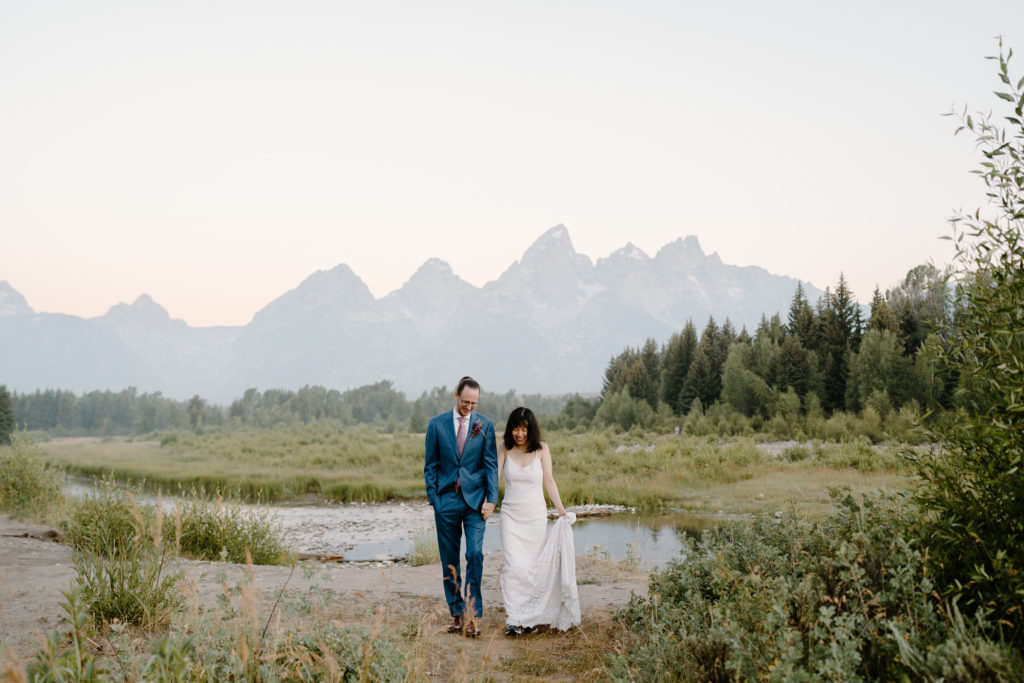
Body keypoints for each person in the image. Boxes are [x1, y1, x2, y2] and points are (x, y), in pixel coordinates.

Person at [423, 376, 498, 637]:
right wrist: (435, 499)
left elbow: (490, 464)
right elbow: (430, 465)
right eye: (465, 402)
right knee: (449, 560)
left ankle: (473, 615)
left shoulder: (485, 425)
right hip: (446, 502)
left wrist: (492, 499)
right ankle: (457, 613)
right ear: (456, 396)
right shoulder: (436, 425)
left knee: (475, 554)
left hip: (476, 502)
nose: (469, 407)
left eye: (474, 403)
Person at [497, 406, 581, 636]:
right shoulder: (504, 448)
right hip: (510, 517)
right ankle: (514, 618)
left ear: (531, 429)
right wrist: (485, 502)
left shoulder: (542, 449)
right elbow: (493, 480)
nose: (520, 434)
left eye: (524, 429)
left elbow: (549, 482)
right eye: (515, 429)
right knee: (514, 566)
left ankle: (530, 617)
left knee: (532, 568)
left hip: (535, 517)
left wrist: (562, 511)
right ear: (510, 429)